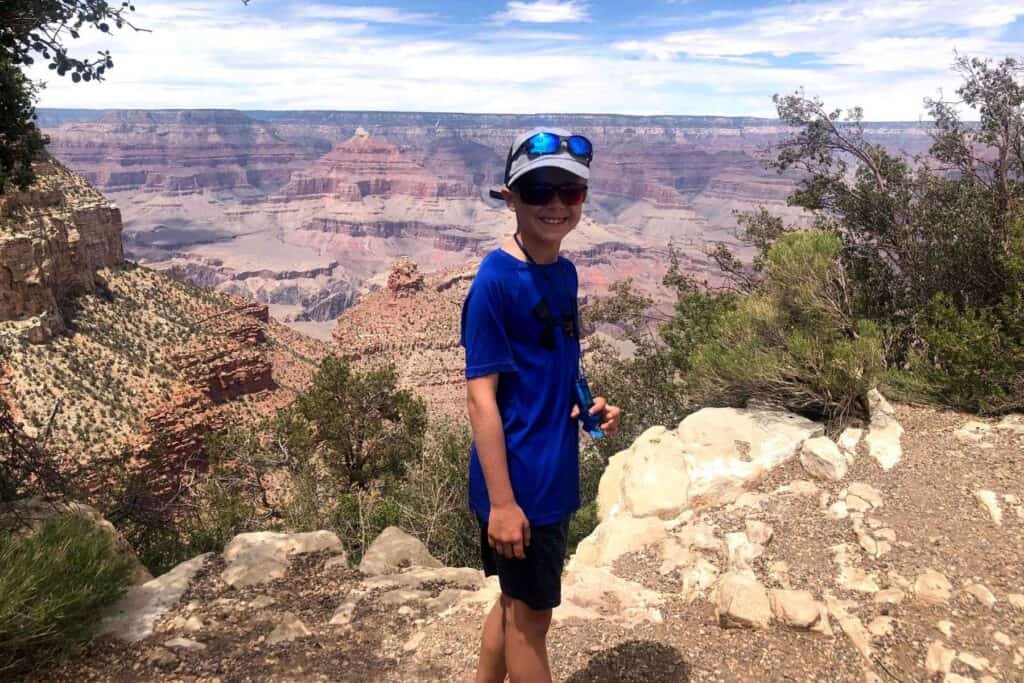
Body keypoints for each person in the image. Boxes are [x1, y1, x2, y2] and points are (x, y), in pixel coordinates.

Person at [460, 128, 622, 683]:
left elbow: (553, 365)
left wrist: (584, 406)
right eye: (538, 191)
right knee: (533, 620)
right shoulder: (495, 283)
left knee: (513, 603)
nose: (556, 205)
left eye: (570, 192)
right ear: (510, 198)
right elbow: (480, 400)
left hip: (550, 471)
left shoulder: (564, 271)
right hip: (520, 485)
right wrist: (503, 506)